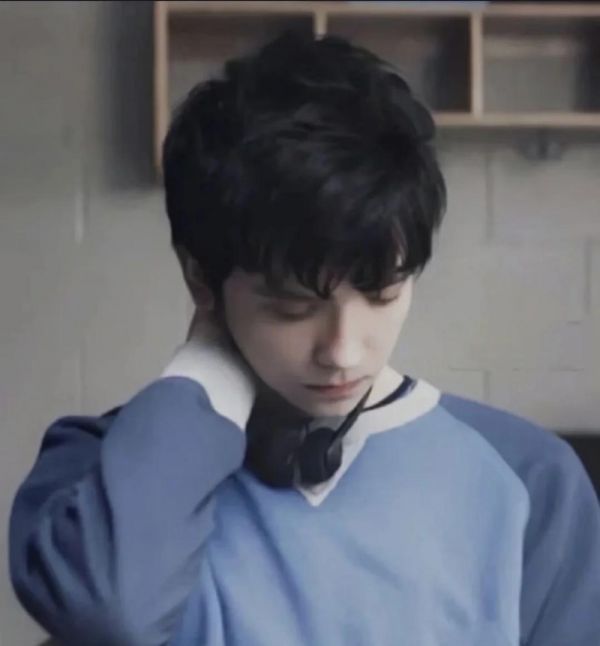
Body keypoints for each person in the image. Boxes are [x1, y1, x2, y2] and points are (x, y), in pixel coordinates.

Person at [8, 31, 600, 646]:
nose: (344, 351)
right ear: (200, 278)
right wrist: (208, 368)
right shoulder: (93, 473)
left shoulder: (530, 478)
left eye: (383, 294)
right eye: (292, 307)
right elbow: (110, 612)